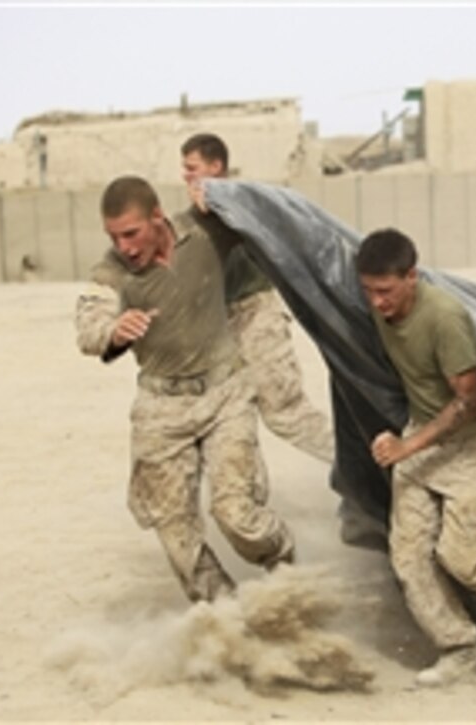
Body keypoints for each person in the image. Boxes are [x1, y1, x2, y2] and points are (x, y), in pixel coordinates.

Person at [75, 175, 295, 602]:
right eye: (114, 237)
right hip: (161, 409)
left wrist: (222, 193)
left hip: (225, 394)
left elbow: (261, 214)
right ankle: (228, 620)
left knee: (237, 517)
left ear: (157, 216)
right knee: (176, 533)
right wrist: (115, 330)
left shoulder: (205, 231)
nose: (125, 247)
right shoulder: (113, 270)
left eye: (132, 233)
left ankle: (285, 565)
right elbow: (88, 327)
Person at [356, 228, 476, 687]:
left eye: (385, 291)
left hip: (471, 440)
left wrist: (407, 449)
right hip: (420, 432)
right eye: (368, 291)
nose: (377, 302)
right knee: (409, 558)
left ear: (412, 277)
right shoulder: (380, 308)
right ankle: (457, 647)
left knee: (467, 558)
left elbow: (470, 400)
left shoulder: (444, 317)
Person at [181, 133, 336, 464]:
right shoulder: (192, 218)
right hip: (219, 328)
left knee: (286, 412)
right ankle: (245, 498)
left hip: (255, 315)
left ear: (215, 166)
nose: (186, 175)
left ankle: (359, 472)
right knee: (228, 419)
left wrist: (217, 212)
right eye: (184, 168)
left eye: (192, 167)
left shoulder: (244, 202)